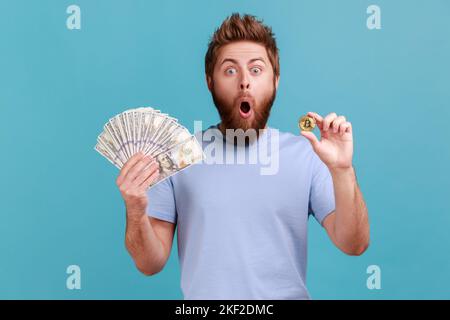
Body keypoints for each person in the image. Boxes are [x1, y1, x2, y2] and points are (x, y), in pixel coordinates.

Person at [115, 13, 370, 299]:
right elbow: (149, 263)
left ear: (276, 81)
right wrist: (135, 210)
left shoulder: (307, 156)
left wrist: (343, 170)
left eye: (257, 70)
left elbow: (354, 244)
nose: (245, 82)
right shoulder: (176, 157)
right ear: (210, 82)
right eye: (230, 71)